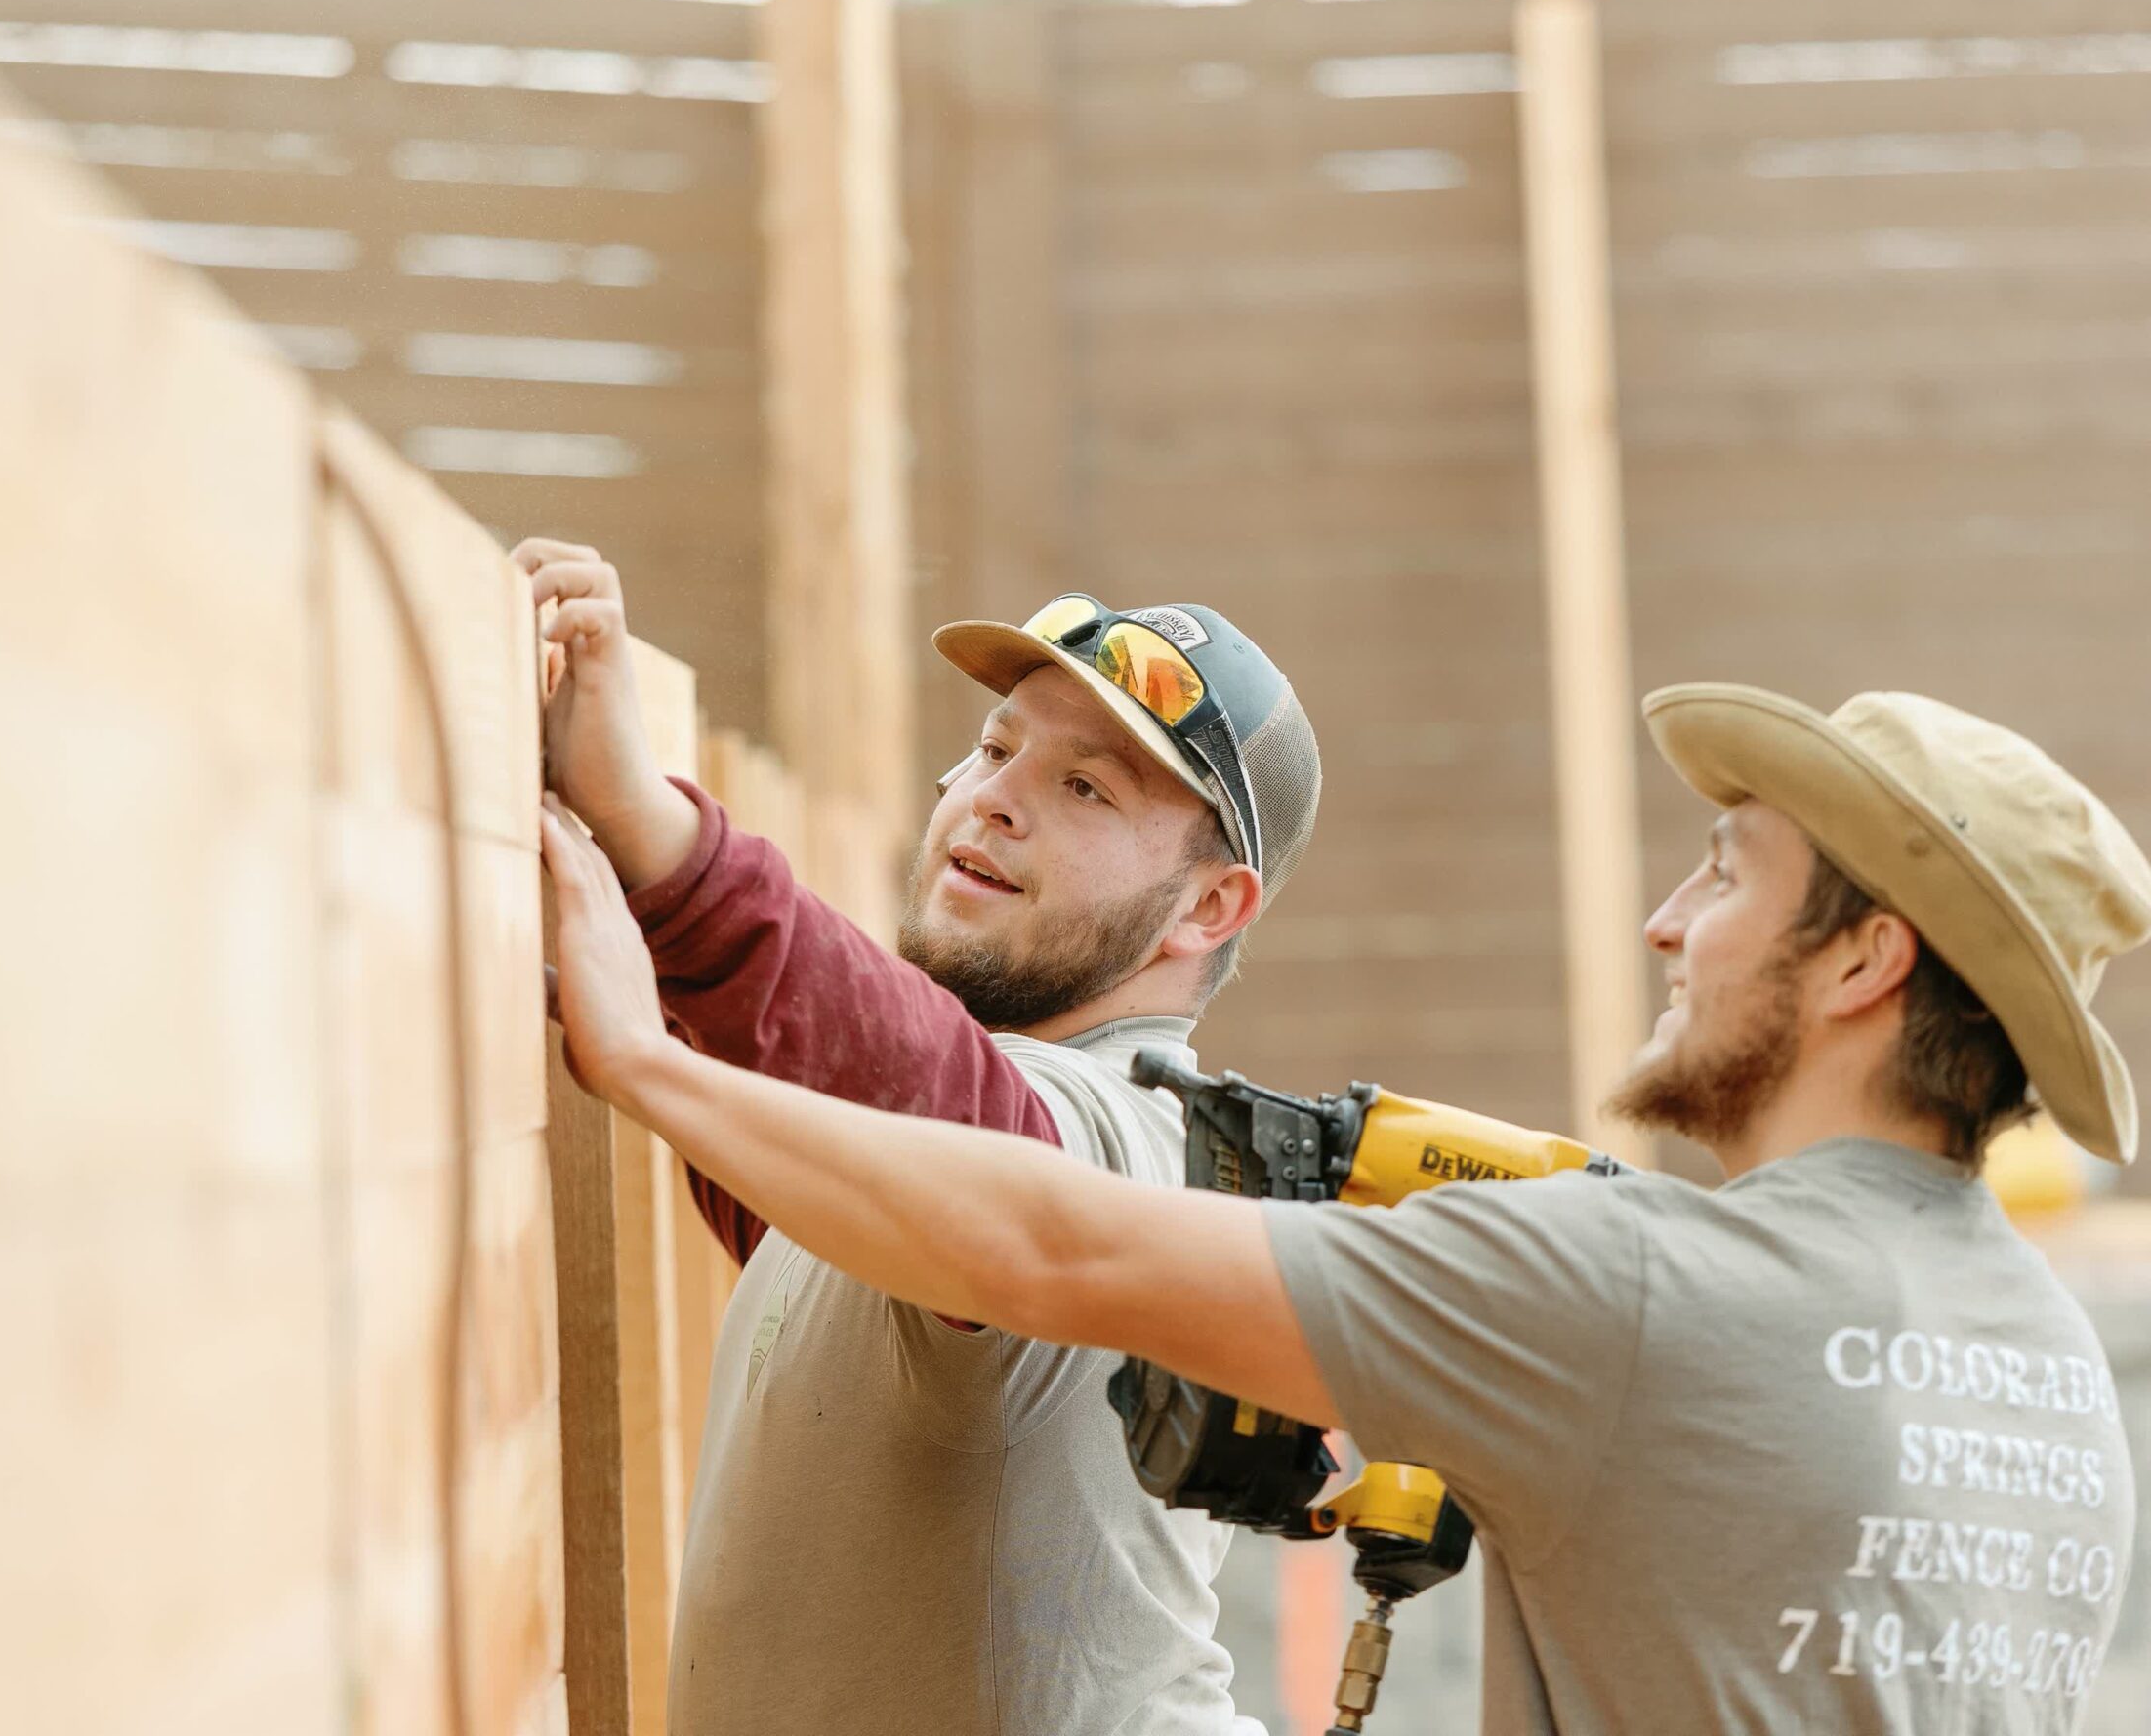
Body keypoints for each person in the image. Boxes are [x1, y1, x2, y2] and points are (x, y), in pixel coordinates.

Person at [544, 679, 2149, 1735]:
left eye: (1728, 875)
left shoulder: (1636, 1288)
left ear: (1865, 965)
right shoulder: (2062, 1376)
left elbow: (1034, 1236)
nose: (1670, 925)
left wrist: (639, 1048)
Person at [515, 539, 1322, 1734]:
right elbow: (828, 1134)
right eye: (997, 749)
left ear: (1207, 907)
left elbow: (951, 1110)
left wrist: (653, 833)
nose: (994, 796)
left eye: (1084, 787)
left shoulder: (1143, 1146)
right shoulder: (917, 1190)